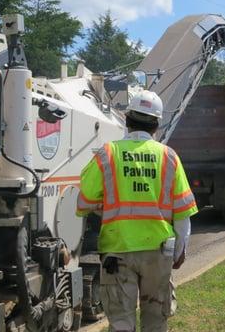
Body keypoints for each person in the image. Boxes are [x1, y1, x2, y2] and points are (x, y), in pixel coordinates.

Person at [77, 90, 198, 332]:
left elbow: (83, 203)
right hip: (159, 251)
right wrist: (180, 250)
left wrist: (105, 204)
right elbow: (182, 212)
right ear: (156, 124)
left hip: (117, 252)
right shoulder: (169, 157)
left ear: (127, 119)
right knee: (156, 321)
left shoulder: (107, 153)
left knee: (121, 322)